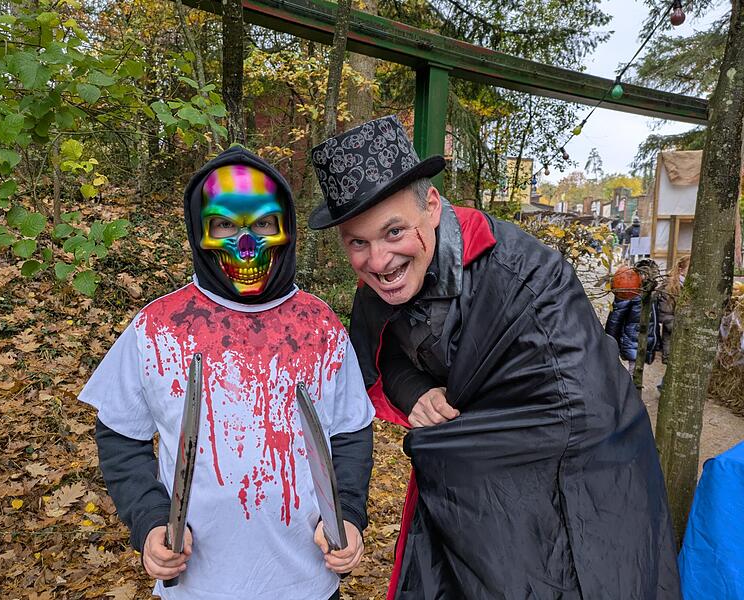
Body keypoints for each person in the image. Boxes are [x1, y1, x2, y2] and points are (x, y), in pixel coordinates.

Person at [307, 115, 680, 599]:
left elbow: (582, 406)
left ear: (433, 207)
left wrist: (462, 445)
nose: (378, 261)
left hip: (581, 481)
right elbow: (381, 359)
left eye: (394, 232)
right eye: (358, 242)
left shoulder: (526, 273)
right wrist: (414, 392)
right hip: (460, 498)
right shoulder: (375, 290)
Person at [80, 147, 375, 599]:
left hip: (306, 583)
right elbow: (120, 435)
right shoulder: (157, 327)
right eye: (224, 225)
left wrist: (349, 515)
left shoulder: (321, 327)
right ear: (201, 233)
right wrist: (151, 520)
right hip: (195, 587)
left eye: (262, 224)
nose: (246, 245)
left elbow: (352, 432)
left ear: (286, 229)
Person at [605, 262, 660, 375]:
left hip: (644, 342)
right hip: (633, 341)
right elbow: (615, 318)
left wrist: (657, 342)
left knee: (636, 373)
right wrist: (609, 342)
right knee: (633, 375)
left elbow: (653, 321)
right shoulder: (630, 291)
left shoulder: (651, 294)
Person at [657, 255, 690, 389]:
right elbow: (664, 315)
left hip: (686, 335)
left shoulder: (691, 288)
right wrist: (684, 326)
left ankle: (666, 387)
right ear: (681, 270)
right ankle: (664, 388)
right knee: (675, 365)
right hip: (674, 336)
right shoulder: (670, 287)